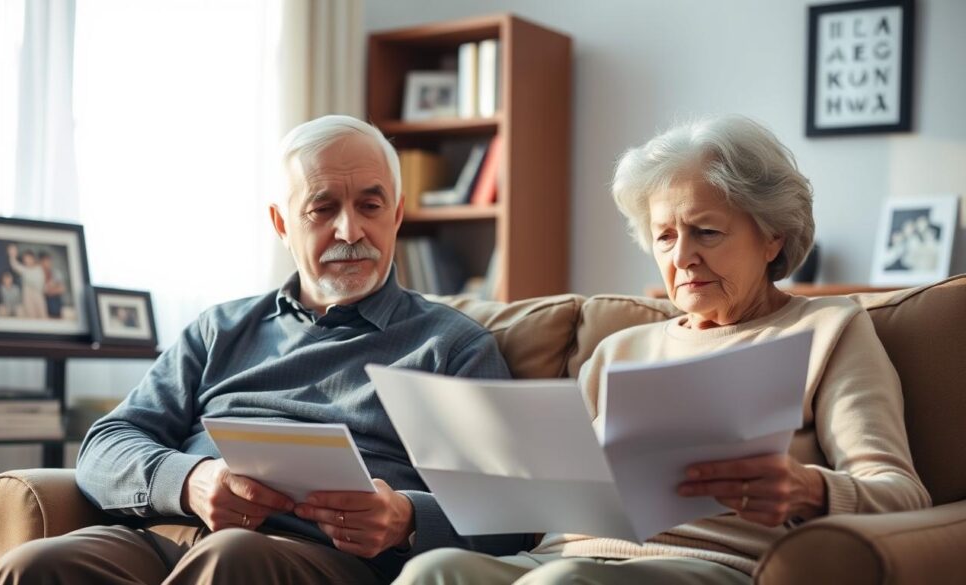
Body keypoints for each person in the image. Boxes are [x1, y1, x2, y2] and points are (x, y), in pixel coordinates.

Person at [0, 115, 531, 585]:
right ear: (281, 223)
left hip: (326, 560)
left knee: (233, 557)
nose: (351, 229)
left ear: (397, 214)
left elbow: (514, 513)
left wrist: (406, 517)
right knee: (34, 566)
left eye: (370, 204)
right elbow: (105, 445)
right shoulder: (221, 329)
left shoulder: (450, 346)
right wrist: (191, 481)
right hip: (176, 535)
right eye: (323, 209)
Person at [395, 115, 931, 585]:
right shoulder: (619, 350)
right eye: (665, 237)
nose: (684, 257)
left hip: (708, 562)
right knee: (432, 571)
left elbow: (901, 494)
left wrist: (808, 488)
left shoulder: (829, 331)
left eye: (706, 231)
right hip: (564, 557)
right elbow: (551, 502)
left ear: (772, 236)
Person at [6, 245, 47, 319]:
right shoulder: (24, 270)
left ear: (33, 258)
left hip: (38, 295)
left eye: (28, 258)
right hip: (28, 296)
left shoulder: (39, 269)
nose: (26, 261)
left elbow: (41, 285)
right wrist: (12, 255)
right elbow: (15, 265)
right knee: (31, 316)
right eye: (25, 259)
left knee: (42, 316)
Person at [39, 251, 67, 319]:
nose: (46, 264)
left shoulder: (56, 273)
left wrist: (50, 291)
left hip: (54, 303)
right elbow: (41, 291)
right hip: (43, 304)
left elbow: (62, 289)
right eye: (44, 261)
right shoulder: (38, 274)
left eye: (48, 261)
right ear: (40, 262)